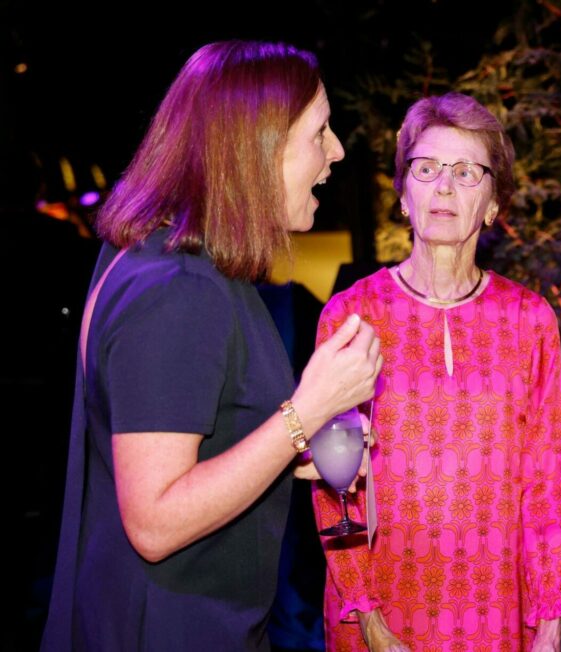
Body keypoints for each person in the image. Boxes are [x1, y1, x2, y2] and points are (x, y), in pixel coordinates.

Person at [41, 41, 383, 651]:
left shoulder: (161, 254)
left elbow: (188, 439)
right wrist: (306, 412)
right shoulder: (178, 288)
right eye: (321, 130)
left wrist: (290, 451)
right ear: (261, 146)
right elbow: (155, 520)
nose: (336, 151)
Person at [313, 92, 561, 651]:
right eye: (427, 169)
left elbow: (547, 482)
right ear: (404, 194)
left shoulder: (529, 320)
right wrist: (368, 617)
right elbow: (336, 484)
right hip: (380, 608)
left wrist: (550, 619)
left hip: (499, 609)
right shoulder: (353, 316)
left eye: (466, 172)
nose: (445, 188)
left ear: (493, 203)